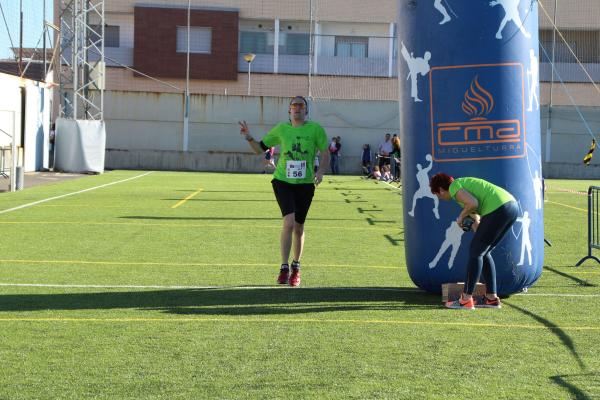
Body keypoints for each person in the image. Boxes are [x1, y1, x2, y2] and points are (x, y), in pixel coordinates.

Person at [238, 96, 329, 287]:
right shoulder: (281, 129)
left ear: (306, 110)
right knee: (288, 223)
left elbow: (325, 152)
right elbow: (258, 149)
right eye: (294, 106)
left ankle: (296, 266)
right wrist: (248, 136)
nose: (297, 109)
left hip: (305, 184)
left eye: (301, 106)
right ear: (289, 111)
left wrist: (320, 171)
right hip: (283, 181)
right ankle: (284, 267)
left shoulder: (315, 130)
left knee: (299, 227)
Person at [429, 173, 519, 309]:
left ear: (441, 190)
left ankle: (466, 300)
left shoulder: (454, 187)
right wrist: (470, 226)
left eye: (437, 195)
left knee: (475, 252)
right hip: (511, 207)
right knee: (483, 251)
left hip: (499, 208)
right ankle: (491, 298)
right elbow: (477, 225)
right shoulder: (462, 192)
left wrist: (460, 218)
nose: (440, 198)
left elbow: (473, 203)